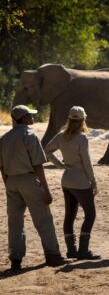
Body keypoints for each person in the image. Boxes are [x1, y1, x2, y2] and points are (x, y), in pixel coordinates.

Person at [0, 105, 67, 270]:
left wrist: (7, 183)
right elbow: (38, 165)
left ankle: (16, 259)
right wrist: (46, 189)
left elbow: (2, 167)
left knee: (15, 222)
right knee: (43, 219)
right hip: (29, 180)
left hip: (11, 181)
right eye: (29, 115)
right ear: (22, 118)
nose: (32, 117)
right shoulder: (30, 136)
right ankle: (53, 255)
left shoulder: (4, 138)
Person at [45, 106, 100, 260]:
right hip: (81, 181)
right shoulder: (82, 138)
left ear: (69, 120)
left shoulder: (61, 136)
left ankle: (71, 251)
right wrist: (94, 181)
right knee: (90, 214)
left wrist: (60, 165)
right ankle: (83, 251)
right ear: (83, 120)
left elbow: (47, 150)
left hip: (67, 179)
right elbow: (87, 162)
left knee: (69, 215)